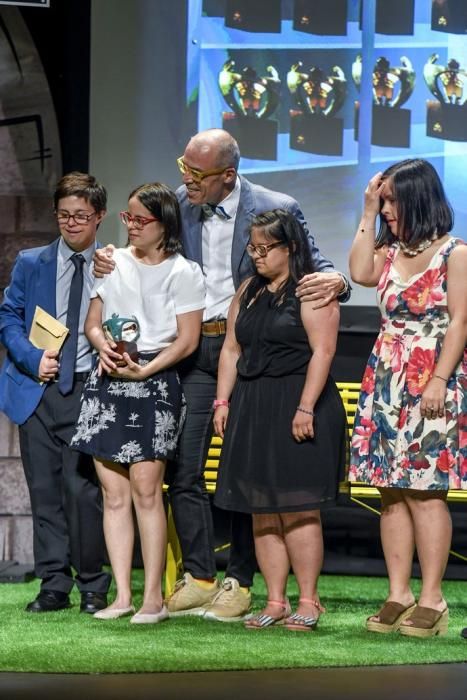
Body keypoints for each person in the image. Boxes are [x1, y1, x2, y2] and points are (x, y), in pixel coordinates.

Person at [94, 128, 351, 621]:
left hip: (252, 348)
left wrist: (338, 280)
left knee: (248, 471)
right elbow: (138, 244)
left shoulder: (275, 205)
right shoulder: (176, 203)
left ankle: (241, 578)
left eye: (196, 172)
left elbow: (315, 266)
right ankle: (200, 574)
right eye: (182, 166)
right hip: (193, 349)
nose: (184, 179)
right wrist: (106, 256)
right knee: (186, 468)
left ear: (227, 174)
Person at [71, 183, 205, 623]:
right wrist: (101, 346)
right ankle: (122, 595)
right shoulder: (110, 262)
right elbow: (92, 323)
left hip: (154, 380)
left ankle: (153, 599)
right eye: (126, 218)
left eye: (139, 220)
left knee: (147, 492)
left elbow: (187, 340)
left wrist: (147, 370)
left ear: (163, 224)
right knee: (114, 495)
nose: (130, 226)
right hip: (109, 376)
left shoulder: (184, 271)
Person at [348, 158, 467, 638]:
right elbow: (358, 272)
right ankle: (399, 592)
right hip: (385, 378)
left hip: (430, 377)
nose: (388, 208)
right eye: (384, 199)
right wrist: (367, 209)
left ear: (418, 198)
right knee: (390, 491)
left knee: (424, 490)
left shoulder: (454, 253)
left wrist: (439, 377)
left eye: (393, 200)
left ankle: (433, 598)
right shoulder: (388, 250)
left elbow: (460, 320)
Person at [213, 210, 347, 631]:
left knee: (300, 509)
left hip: (297, 402)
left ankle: (309, 599)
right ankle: (275, 601)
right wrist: (222, 401)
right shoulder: (249, 290)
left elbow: (322, 353)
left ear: (289, 247)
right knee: (261, 510)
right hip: (252, 404)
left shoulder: (311, 290)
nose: (256, 255)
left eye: (264, 248)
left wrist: (305, 408)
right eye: (252, 247)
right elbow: (232, 349)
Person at [0, 172, 111, 613]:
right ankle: (53, 584)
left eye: (81, 216)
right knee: (43, 490)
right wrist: (31, 357)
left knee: (82, 491)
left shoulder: (114, 265)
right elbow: (8, 316)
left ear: (99, 216)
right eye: (64, 215)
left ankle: (93, 584)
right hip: (38, 389)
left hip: (89, 388)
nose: (71, 224)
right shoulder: (32, 262)